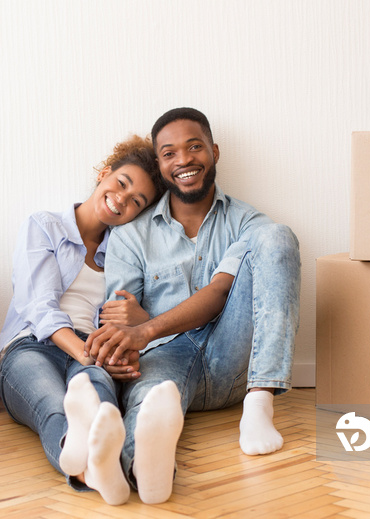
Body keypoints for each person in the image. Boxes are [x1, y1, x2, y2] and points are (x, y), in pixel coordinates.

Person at [85, 108, 301, 503]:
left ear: (214, 152)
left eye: (194, 147)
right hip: (165, 358)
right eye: (169, 153)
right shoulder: (131, 234)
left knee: (278, 236)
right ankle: (140, 473)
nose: (183, 160)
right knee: (150, 407)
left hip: (233, 359)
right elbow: (119, 316)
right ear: (160, 164)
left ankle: (259, 406)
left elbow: (220, 292)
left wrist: (147, 325)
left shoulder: (247, 222)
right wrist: (124, 345)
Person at [0, 135, 164, 506]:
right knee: (55, 405)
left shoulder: (125, 252)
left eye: (137, 201)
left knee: (101, 404)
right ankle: (106, 473)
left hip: (91, 349)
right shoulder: (45, 225)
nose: (122, 199)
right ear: (104, 174)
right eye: (121, 183)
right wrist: (89, 356)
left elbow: (141, 320)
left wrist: (139, 322)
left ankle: (99, 473)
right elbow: (39, 306)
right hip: (31, 346)